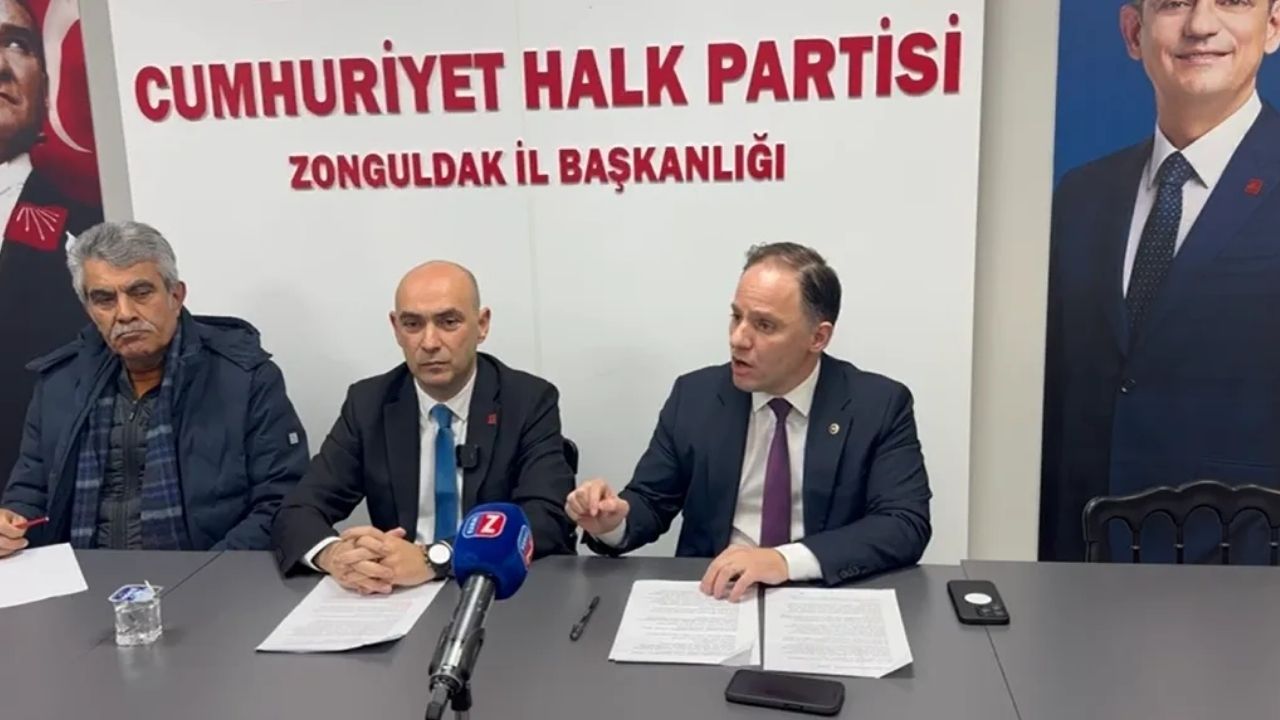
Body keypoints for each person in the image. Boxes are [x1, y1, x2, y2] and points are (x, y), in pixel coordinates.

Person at [1043, 0, 1280, 562]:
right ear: (1133, 33)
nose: (1200, 25)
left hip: (1247, 569)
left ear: (1273, 25)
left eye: (1233, 1)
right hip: (1082, 566)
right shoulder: (1080, 196)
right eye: (1174, 3)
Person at [567, 243, 932, 602]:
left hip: (824, 595)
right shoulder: (695, 396)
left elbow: (904, 523)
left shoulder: (878, 405)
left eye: (764, 325)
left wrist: (784, 561)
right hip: (716, 595)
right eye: (736, 316)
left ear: (817, 337)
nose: (738, 338)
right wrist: (612, 523)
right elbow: (651, 501)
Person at [0, 221, 309, 556]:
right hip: (79, 574)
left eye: (140, 293)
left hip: (207, 572)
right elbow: (30, 491)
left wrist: (211, 573)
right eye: (104, 299)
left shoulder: (244, 378)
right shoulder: (59, 382)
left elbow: (281, 499)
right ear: (88, 309)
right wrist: (11, 521)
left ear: (175, 295)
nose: (125, 314)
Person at [271, 261, 577, 594]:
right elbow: (298, 510)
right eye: (413, 324)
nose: (429, 342)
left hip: (498, 591)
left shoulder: (527, 400)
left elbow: (546, 518)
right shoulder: (369, 403)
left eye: (449, 322)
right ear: (396, 328)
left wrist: (434, 558)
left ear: (482, 324)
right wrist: (335, 556)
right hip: (397, 594)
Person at [0, 0, 104, 481]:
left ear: (45, 84)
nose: (0, 66)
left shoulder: (88, 231)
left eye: (16, 44)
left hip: (31, 494)